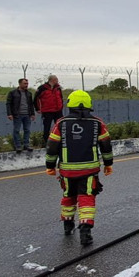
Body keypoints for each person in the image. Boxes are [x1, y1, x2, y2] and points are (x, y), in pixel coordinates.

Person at [45, 90, 113, 246]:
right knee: (87, 197)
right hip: (89, 171)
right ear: (89, 105)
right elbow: (106, 146)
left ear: (70, 104)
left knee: (69, 195)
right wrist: (108, 164)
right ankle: (85, 230)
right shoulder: (98, 123)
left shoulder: (61, 124)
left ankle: (67, 225)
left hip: (67, 171)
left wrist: (50, 166)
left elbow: (52, 146)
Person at [6, 78, 36, 153]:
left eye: (27, 84)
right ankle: (18, 146)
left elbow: (31, 104)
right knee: (16, 130)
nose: (26, 85)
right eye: (24, 84)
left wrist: (32, 114)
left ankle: (26, 145)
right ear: (20, 84)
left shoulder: (29, 94)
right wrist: (9, 114)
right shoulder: (13, 93)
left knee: (27, 130)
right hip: (17, 115)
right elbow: (8, 103)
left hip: (27, 114)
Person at [34, 75, 64, 147]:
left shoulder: (58, 88)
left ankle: (61, 141)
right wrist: (37, 108)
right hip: (47, 111)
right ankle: (46, 142)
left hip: (58, 110)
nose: (57, 81)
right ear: (52, 80)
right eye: (56, 79)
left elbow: (61, 97)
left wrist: (61, 106)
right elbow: (36, 98)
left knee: (61, 125)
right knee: (47, 127)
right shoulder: (42, 88)